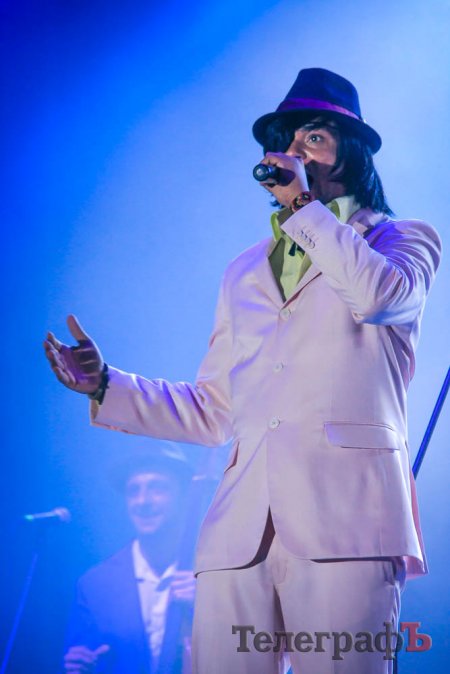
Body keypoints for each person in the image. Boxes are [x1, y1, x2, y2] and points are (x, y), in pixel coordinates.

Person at [44, 68, 441, 673]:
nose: (294, 152)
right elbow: (214, 409)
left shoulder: (400, 240)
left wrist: (303, 207)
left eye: (314, 137)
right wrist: (104, 385)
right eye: (286, 141)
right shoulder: (245, 271)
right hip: (239, 534)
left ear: (354, 151)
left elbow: (379, 297)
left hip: (348, 525)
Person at [63, 443, 195, 674]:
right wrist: (77, 666)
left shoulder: (215, 575)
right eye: (133, 490)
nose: (143, 501)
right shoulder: (95, 584)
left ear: (183, 496)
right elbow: (82, 657)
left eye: (157, 488)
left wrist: (213, 607)